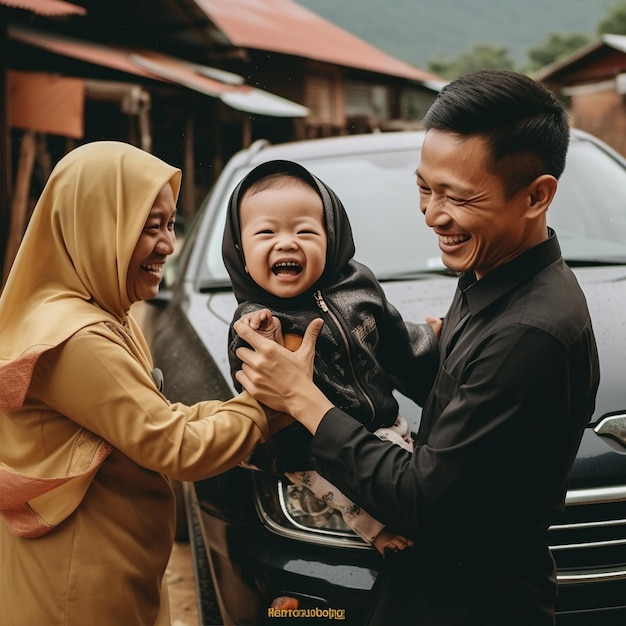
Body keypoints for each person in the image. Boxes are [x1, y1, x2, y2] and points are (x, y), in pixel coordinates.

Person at [232, 70, 601, 626]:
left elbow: (421, 500)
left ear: (537, 196)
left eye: (458, 197)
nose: (432, 215)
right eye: (425, 188)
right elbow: (460, 398)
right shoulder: (489, 275)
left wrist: (301, 397)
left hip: (474, 601)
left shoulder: (530, 331)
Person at [0, 141, 280, 626]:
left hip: (103, 570)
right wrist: (272, 403)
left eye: (171, 225)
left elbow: (161, 417)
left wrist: (250, 401)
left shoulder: (104, 314)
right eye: (150, 227)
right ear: (96, 224)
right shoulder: (78, 337)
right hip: (80, 589)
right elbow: (176, 446)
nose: (168, 245)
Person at [222, 159, 440, 555]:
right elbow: (256, 381)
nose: (286, 242)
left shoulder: (358, 285)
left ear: (333, 238)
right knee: (342, 488)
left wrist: (431, 337)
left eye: (305, 230)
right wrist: (264, 338)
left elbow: (393, 337)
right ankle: (375, 531)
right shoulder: (254, 319)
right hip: (309, 447)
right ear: (241, 250)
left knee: (408, 469)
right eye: (266, 232)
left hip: (377, 424)